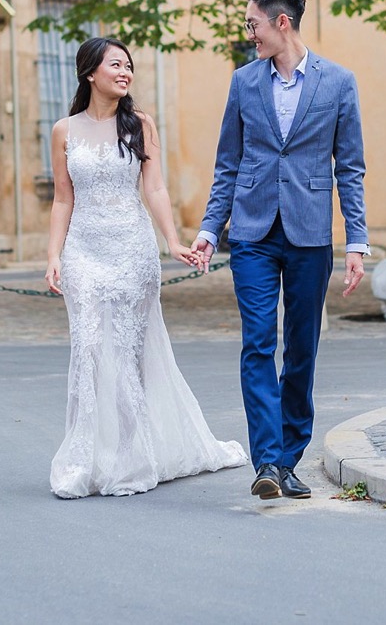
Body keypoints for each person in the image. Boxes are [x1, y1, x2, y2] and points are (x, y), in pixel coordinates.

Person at [45, 37, 248, 498]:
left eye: (129, 66)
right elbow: (62, 197)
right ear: (90, 72)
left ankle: (131, 458)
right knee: (90, 349)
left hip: (132, 249)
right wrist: (54, 255)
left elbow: (154, 189)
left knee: (127, 353)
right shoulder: (63, 130)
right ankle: (85, 461)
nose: (125, 72)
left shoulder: (140, 125)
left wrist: (172, 240)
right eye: (115, 64)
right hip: (84, 250)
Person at [191, 0, 368, 500]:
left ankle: (290, 455)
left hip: (311, 232)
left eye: (253, 24)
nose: (250, 34)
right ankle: (267, 460)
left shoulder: (338, 82)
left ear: (280, 22)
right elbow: (228, 163)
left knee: (301, 348)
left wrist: (356, 241)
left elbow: (350, 167)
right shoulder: (244, 82)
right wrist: (209, 228)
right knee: (258, 341)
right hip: (252, 231)